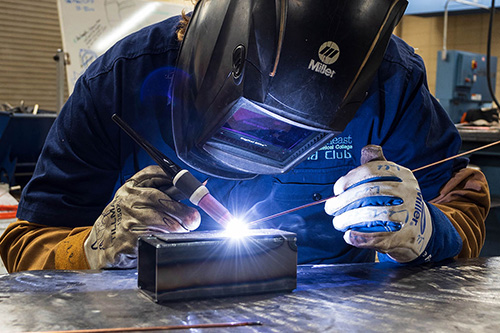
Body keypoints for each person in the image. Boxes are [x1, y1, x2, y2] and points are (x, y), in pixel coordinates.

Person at [0, 0, 489, 272]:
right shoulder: (117, 84)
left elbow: (462, 202)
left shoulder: (389, 81)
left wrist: (426, 231)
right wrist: (91, 247)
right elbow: (25, 244)